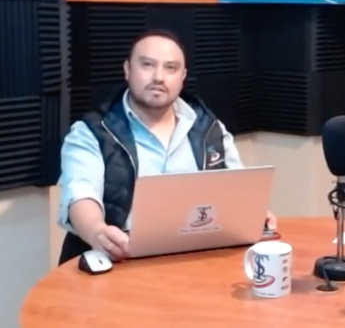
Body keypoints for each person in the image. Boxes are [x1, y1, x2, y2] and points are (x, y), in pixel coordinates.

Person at [57, 29, 277, 264]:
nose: (159, 77)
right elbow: (80, 193)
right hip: (120, 260)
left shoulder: (209, 130)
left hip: (194, 262)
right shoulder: (92, 132)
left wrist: (252, 215)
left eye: (170, 68)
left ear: (183, 77)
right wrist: (96, 231)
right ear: (127, 69)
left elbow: (238, 190)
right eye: (147, 65)